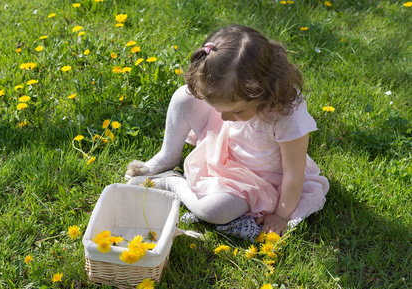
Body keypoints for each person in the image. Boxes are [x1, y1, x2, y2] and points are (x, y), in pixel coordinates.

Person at [125, 24, 329, 241]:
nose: (224, 118)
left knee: (215, 211)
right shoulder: (231, 110)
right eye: (219, 109)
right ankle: (167, 156)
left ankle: (172, 182)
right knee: (184, 96)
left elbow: (294, 173)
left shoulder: (286, 115)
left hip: (257, 181)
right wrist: (230, 110)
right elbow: (220, 113)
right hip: (223, 146)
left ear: (263, 92)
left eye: (235, 111)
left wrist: (280, 215)